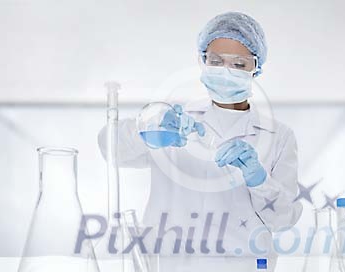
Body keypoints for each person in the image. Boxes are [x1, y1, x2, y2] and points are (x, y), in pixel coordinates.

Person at [99, 12, 302, 257]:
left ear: (256, 68)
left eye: (239, 64)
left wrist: (259, 181)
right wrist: (146, 127)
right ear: (202, 61)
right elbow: (110, 148)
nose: (226, 71)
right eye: (216, 61)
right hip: (169, 267)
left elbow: (283, 219)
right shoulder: (175, 121)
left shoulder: (279, 137)